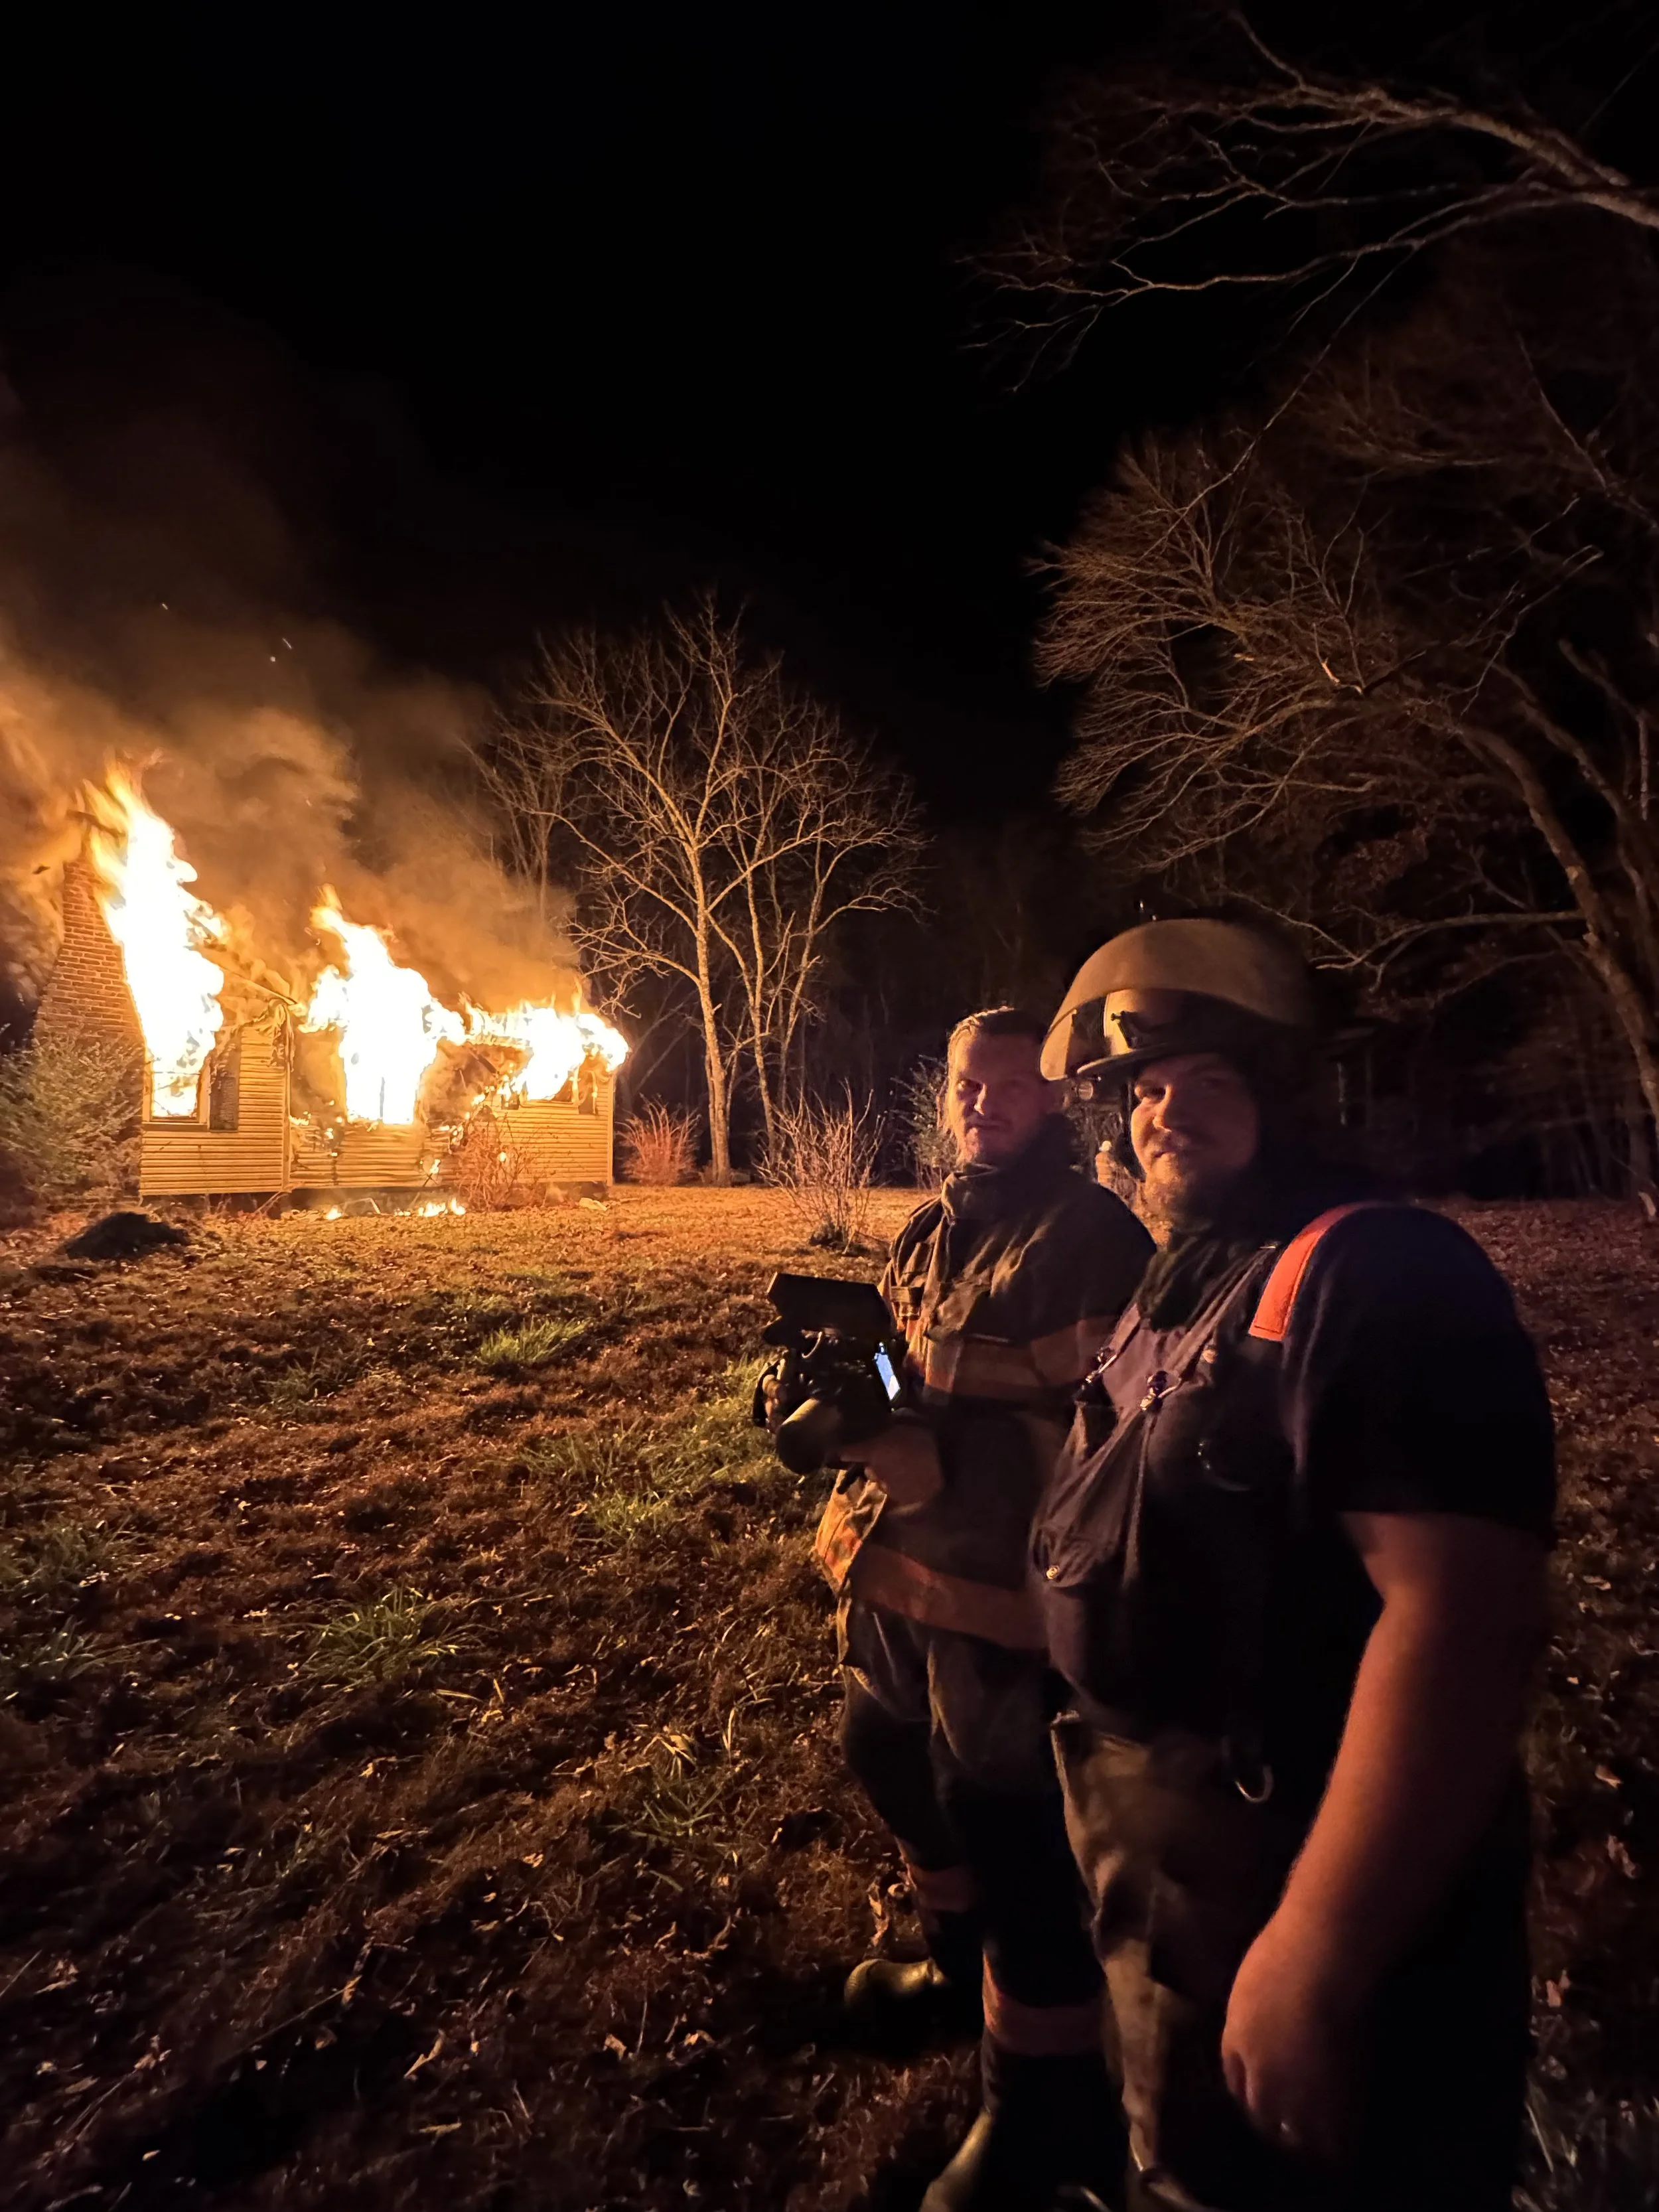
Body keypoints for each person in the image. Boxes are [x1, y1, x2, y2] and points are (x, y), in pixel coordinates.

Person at [1032, 919, 1556, 2212]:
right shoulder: (1190, 1284)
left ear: (1286, 1093)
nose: (1163, 1112)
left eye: (1207, 1079)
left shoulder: (1374, 1270)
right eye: (1143, 1088)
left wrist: (1317, 1954)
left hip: (1292, 1885)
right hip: (1172, 1888)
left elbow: (1460, 1623)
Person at [811, 1005, 1152, 2211]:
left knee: (1007, 1830)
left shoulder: (1093, 1241)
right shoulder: (933, 1223)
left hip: (1005, 1590)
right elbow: (914, 1365)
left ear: (1057, 1101)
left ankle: (1044, 2109)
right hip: (896, 1561)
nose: (983, 1104)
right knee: (882, 1750)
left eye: (1011, 1086)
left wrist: (939, 1460)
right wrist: (852, 1400)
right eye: (967, 1084)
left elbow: (1116, 1443)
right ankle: (956, 1976)